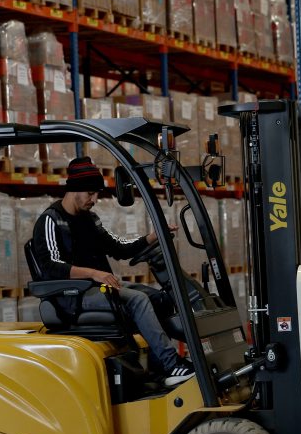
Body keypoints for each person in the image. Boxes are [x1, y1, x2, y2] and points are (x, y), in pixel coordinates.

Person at [30, 156, 195, 387]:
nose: (94, 200)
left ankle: (161, 369)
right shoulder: (51, 220)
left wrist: (153, 237)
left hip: (96, 288)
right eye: (90, 193)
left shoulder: (89, 219)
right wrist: (94, 273)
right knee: (137, 300)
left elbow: (118, 248)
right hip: (71, 296)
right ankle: (171, 363)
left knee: (158, 298)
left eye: (96, 194)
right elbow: (51, 267)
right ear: (74, 189)